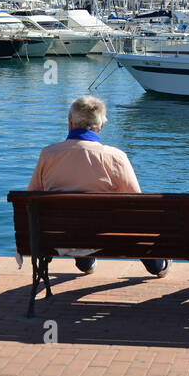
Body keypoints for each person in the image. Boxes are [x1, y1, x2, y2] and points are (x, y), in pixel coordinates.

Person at [27, 95, 169, 278]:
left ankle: (85, 260)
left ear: (69, 123)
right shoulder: (115, 157)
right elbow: (136, 202)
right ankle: (156, 264)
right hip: (106, 236)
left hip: (61, 236)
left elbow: (30, 197)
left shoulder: (48, 154)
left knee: (76, 221)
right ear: (100, 127)